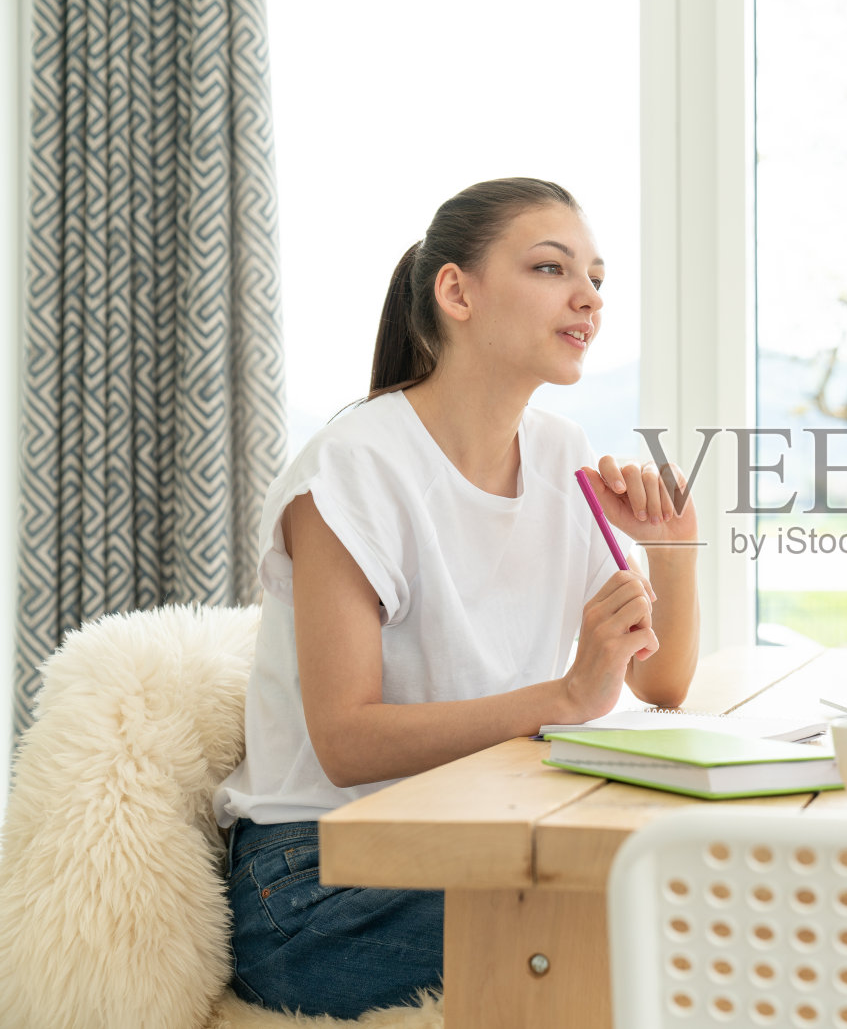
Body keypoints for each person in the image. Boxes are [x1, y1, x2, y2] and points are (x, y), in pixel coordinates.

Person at [211, 177, 699, 1019]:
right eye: (552, 268)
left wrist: (676, 547)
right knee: (661, 918)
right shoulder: (355, 467)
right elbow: (346, 740)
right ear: (456, 290)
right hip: (313, 887)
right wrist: (563, 697)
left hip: (477, 836)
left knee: (694, 895)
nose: (588, 297)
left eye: (598, 278)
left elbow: (661, 686)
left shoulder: (562, 453)